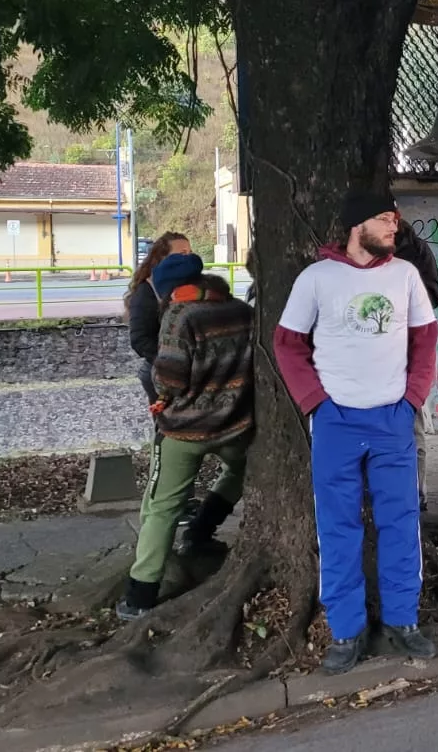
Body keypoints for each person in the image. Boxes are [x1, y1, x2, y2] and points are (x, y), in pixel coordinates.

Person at [274, 190, 438, 674]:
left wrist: (412, 398)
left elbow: (425, 340)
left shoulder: (406, 276)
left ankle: (403, 621)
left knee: (401, 521)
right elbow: (287, 344)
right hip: (336, 422)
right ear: (356, 225)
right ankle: (346, 631)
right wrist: (315, 403)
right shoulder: (316, 279)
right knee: (337, 527)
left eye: (394, 219)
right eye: (384, 219)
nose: (394, 227)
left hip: (391, 418)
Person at [117, 252, 255, 621]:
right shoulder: (241, 310)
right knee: (241, 473)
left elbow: (169, 380)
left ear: (171, 291)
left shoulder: (180, 316)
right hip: (234, 426)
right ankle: (201, 530)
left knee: (162, 507)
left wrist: (161, 390)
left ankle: (141, 594)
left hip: (183, 431)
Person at [393, 219, 438, 511]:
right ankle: (412, 490)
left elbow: (432, 295)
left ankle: (416, 490)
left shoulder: (416, 252)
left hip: (407, 348)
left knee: (412, 425)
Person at [124, 232, 191, 404]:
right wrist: (169, 363)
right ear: (162, 258)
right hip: (161, 371)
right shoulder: (146, 292)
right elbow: (139, 339)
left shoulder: (190, 286)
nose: (188, 258)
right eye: (182, 254)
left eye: (190, 253)